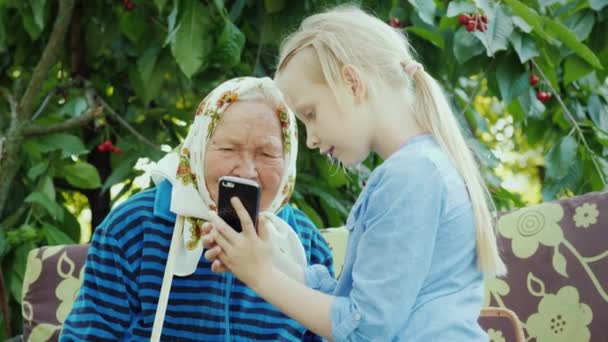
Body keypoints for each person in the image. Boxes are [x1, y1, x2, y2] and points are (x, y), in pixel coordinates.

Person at [202, 5, 506, 341]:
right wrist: (269, 257)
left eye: (310, 113)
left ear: (351, 83)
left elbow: (364, 329)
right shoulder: (419, 168)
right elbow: (349, 304)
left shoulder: (410, 177)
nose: (311, 139)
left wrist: (259, 274)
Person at [60, 77, 334, 341]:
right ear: (198, 148)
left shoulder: (305, 244)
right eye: (228, 148)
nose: (247, 172)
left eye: (267, 154)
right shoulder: (133, 228)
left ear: (288, 159)